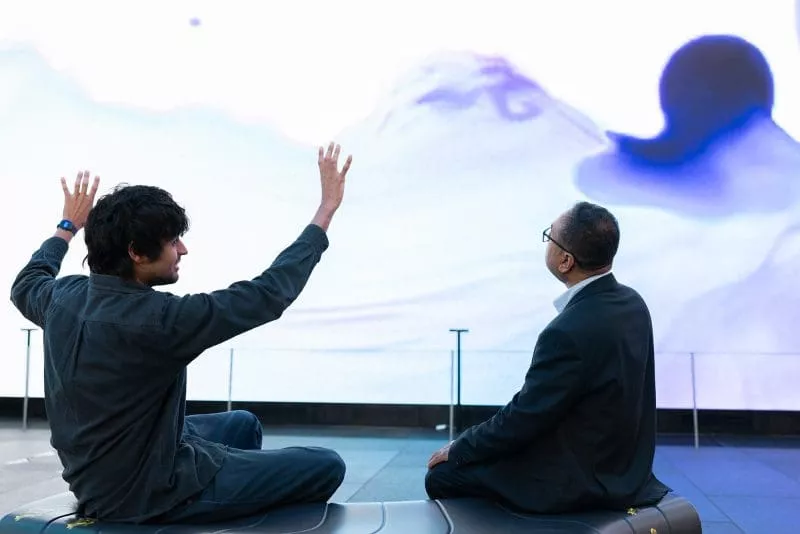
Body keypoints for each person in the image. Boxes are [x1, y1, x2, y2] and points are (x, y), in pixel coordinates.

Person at [9, 142, 353, 524]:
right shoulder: (159, 320)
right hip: (146, 492)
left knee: (243, 423)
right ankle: (204, 503)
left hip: (99, 471)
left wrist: (66, 226)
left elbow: (26, 281)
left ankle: (229, 500)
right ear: (137, 253)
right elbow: (267, 295)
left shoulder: (62, 296)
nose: (183, 250)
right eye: (173, 242)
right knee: (325, 465)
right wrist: (324, 212)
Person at [425, 201, 670, 513]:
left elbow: (523, 418)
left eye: (549, 237)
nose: (547, 243)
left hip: (580, 481)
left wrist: (462, 447)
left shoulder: (568, 331)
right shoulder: (634, 304)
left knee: (442, 476)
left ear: (566, 260)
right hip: (627, 472)